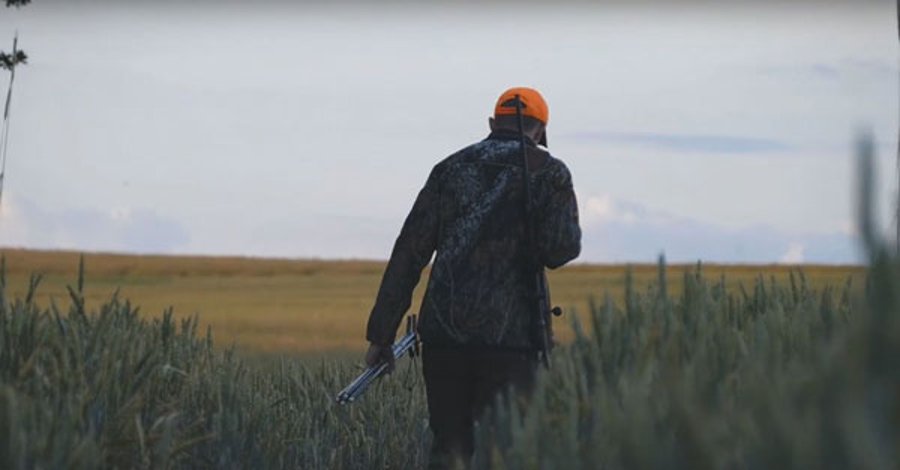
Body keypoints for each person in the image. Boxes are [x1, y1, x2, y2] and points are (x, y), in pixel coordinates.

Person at [363, 87, 581, 468]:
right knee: (510, 454)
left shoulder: (449, 169)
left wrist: (382, 334)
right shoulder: (550, 172)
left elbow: (409, 252)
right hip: (513, 343)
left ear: (492, 124)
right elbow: (559, 251)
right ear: (540, 131)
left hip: (444, 339)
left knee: (449, 451)